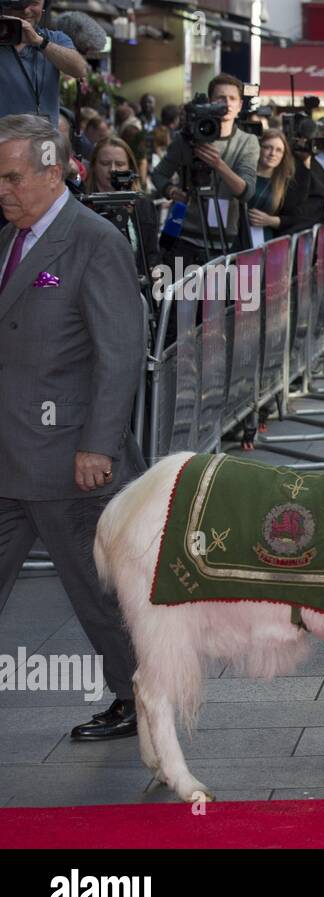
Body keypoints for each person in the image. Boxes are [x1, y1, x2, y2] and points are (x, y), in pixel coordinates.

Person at [0, 113, 144, 742]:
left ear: (52, 169)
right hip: (10, 455)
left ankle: (141, 696)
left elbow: (120, 352)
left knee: (98, 594)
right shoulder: (10, 238)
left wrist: (98, 445)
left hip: (71, 460)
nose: (3, 190)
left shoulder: (93, 241)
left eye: (13, 177)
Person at [149, 73, 258, 266]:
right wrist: (172, 191)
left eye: (232, 98)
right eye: (220, 98)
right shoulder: (186, 138)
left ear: (240, 105)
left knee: (220, 296)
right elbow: (158, 174)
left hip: (225, 240)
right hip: (184, 236)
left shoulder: (247, 142)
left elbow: (246, 191)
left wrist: (219, 165)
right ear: (209, 102)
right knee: (184, 295)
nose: (227, 103)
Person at [0, 0, 88, 127]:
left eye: (33, 2)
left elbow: (80, 69)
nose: (26, 10)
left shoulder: (55, 39)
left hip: (42, 144)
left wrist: (39, 42)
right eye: (19, 1)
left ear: (45, 4)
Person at [87, 134, 161, 273]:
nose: (113, 170)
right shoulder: (83, 205)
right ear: (94, 166)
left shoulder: (144, 206)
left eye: (120, 164)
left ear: (130, 167)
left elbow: (152, 254)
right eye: (105, 163)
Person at [246, 129, 306, 240]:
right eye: (268, 147)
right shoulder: (244, 173)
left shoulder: (287, 183)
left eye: (279, 150)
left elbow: (295, 218)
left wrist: (270, 220)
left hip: (265, 241)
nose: (273, 154)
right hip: (235, 238)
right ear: (258, 148)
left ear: (284, 155)